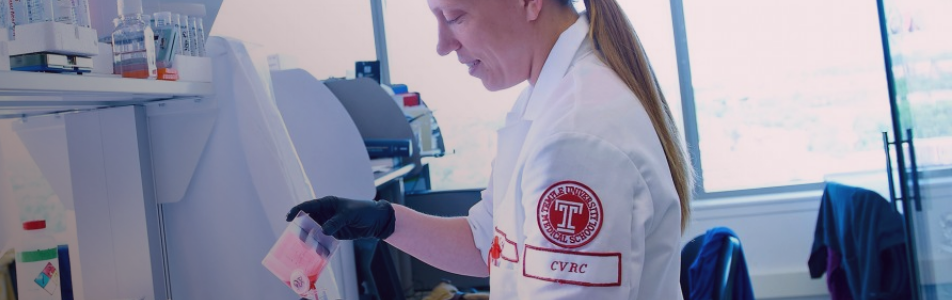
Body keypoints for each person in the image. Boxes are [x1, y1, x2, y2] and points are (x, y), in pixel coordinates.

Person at [287, 0, 694, 298]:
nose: (443, 45)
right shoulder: (543, 99)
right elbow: (490, 246)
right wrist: (385, 221)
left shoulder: (577, 136)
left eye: (455, 17)